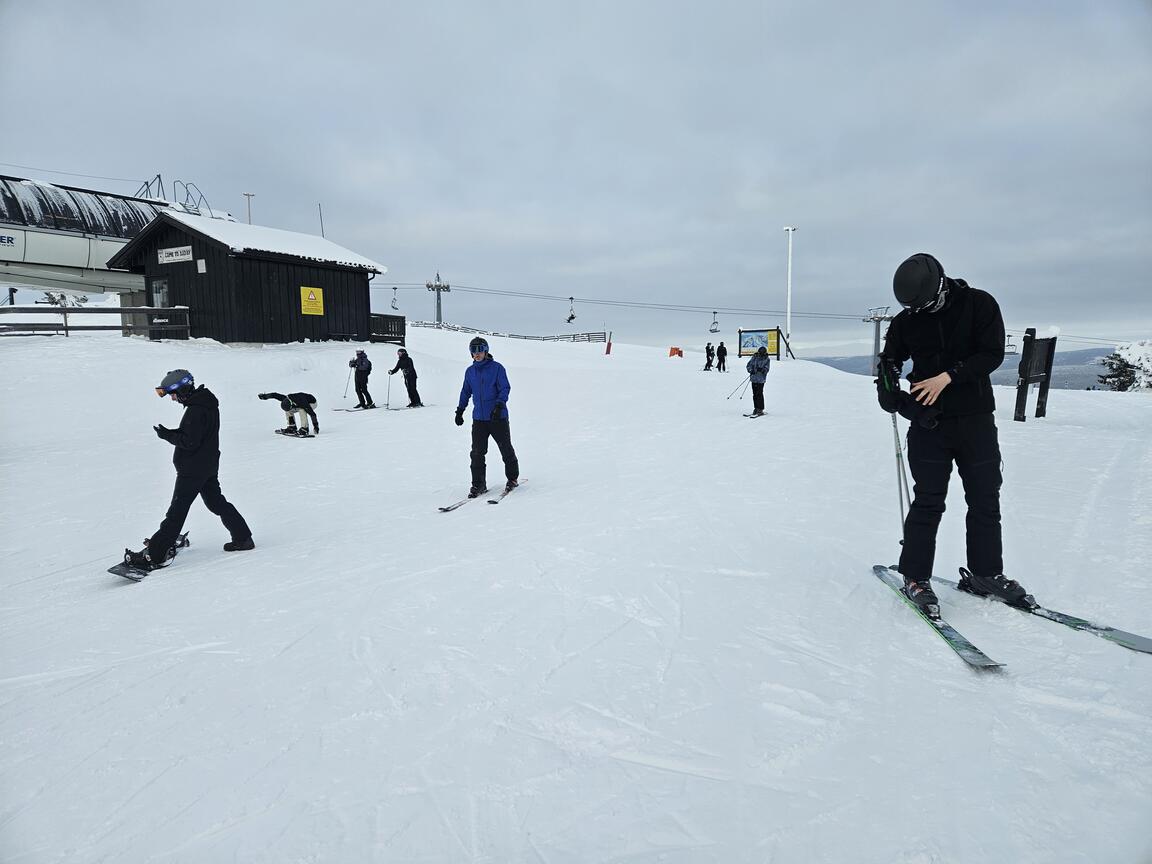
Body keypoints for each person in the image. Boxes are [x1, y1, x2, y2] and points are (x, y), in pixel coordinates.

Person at [878, 252, 1031, 616]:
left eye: (923, 305)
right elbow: (888, 368)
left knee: (984, 498)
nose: (918, 313)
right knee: (929, 500)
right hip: (929, 424)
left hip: (975, 418)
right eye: (911, 308)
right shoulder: (907, 320)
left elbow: (992, 354)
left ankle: (986, 574)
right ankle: (915, 576)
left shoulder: (978, 304)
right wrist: (904, 403)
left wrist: (949, 376)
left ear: (939, 286)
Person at [124, 370, 253, 569]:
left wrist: (166, 435)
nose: (173, 399)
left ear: (182, 389)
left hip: (193, 469)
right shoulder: (205, 404)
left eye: (173, 394)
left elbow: (189, 441)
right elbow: (195, 434)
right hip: (207, 464)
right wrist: (171, 432)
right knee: (216, 503)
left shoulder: (195, 410)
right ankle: (243, 538)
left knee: (177, 511)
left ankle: (156, 554)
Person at [454, 337, 519, 497]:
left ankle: (512, 478)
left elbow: (505, 388)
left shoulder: (497, 368)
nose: (477, 354)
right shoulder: (470, 371)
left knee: (506, 449)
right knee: (477, 452)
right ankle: (478, 484)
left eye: (480, 350)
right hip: (479, 419)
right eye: (473, 351)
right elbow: (465, 392)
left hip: (498, 417)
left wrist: (499, 405)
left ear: (486, 350)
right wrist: (460, 410)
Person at [745, 346, 771, 415]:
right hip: (754, 379)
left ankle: (760, 409)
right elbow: (748, 365)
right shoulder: (754, 357)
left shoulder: (766, 359)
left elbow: (767, 369)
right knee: (755, 394)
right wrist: (751, 370)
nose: (761, 354)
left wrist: (762, 370)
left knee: (759, 394)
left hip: (761, 379)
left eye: (762, 353)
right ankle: (756, 408)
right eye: (760, 353)